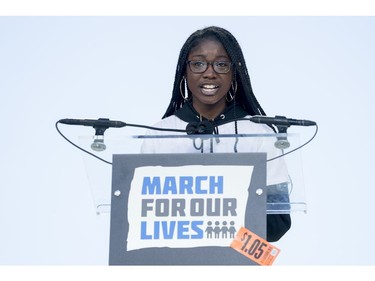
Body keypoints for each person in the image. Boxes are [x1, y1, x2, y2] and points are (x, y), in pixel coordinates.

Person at [140, 25, 291, 242]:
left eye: (221, 64)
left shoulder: (260, 134)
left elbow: (277, 224)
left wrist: (215, 224)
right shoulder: (159, 135)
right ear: (185, 70)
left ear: (234, 72)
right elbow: (141, 218)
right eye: (198, 63)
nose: (209, 73)